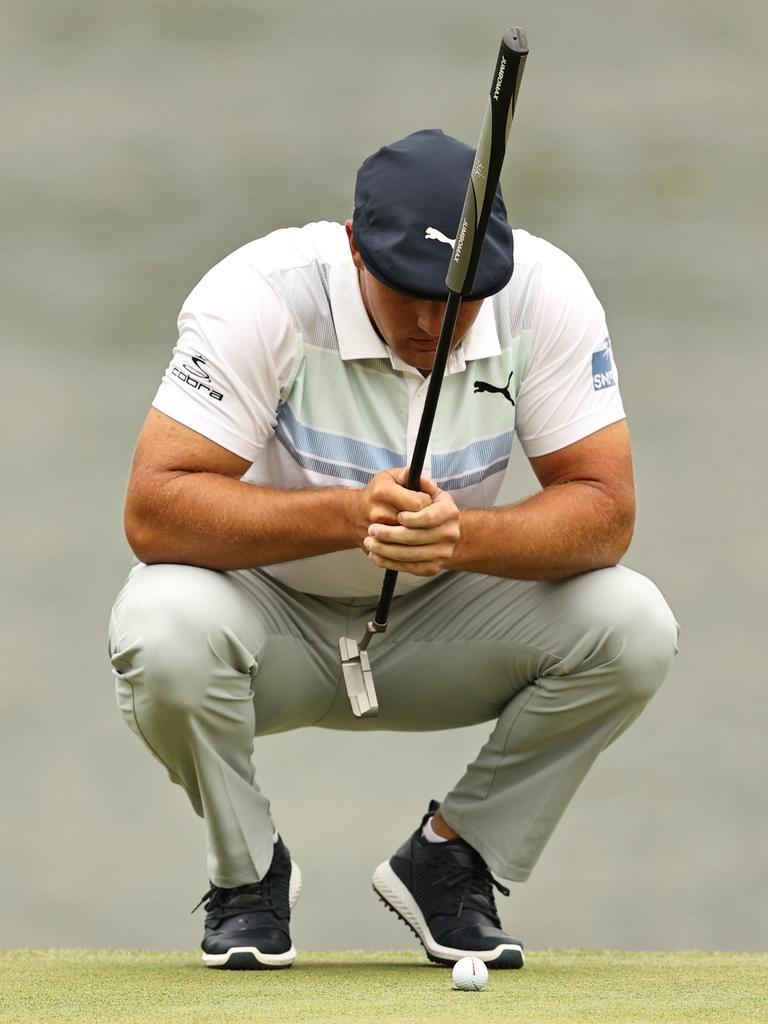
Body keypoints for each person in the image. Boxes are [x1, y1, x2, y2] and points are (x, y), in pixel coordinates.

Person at [109, 128, 678, 971]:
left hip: (440, 625)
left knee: (634, 625)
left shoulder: (545, 292)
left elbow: (605, 512)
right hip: (267, 623)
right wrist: (346, 515)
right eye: (407, 290)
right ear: (354, 251)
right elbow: (155, 511)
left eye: (460, 296)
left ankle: (453, 857)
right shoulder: (263, 294)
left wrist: (463, 537)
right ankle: (247, 876)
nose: (431, 322)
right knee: (159, 628)